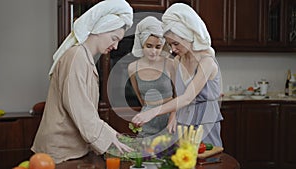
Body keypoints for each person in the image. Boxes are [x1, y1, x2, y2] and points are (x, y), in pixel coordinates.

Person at [31, 0, 133, 164]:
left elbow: (85, 111)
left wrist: (114, 135)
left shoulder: (85, 58)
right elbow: (81, 111)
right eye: (114, 38)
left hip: (73, 150)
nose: (115, 46)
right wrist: (111, 140)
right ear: (100, 30)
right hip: (60, 152)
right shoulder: (76, 57)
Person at [132, 3, 224, 147]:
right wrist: (174, 114)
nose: (173, 49)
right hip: (183, 123)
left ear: (187, 36)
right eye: (170, 45)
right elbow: (178, 97)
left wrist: (152, 112)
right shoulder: (177, 61)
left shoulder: (207, 62)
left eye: (176, 44)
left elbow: (187, 97)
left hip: (204, 122)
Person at [127, 16, 176, 137]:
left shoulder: (170, 64)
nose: (153, 51)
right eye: (149, 46)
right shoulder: (133, 68)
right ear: (142, 44)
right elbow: (141, 100)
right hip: (147, 121)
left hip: (169, 120)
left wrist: (172, 119)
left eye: (158, 47)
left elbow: (179, 96)